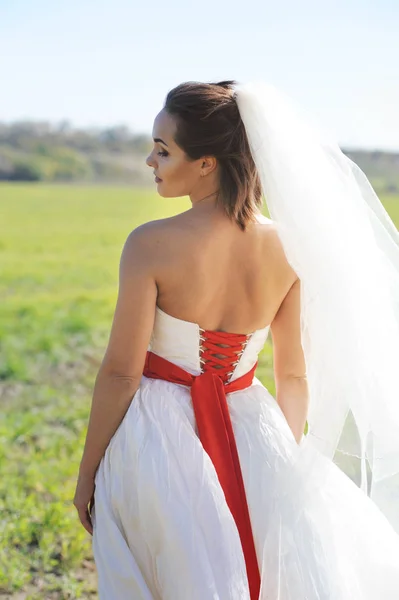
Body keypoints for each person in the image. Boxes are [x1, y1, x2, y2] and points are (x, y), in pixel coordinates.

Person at [74, 80, 399, 599]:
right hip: (256, 424)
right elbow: (293, 374)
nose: (149, 161)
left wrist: (89, 472)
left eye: (163, 150)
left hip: (160, 436)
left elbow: (121, 373)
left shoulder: (150, 244)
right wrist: (282, 463)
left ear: (206, 163)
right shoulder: (290, 247)